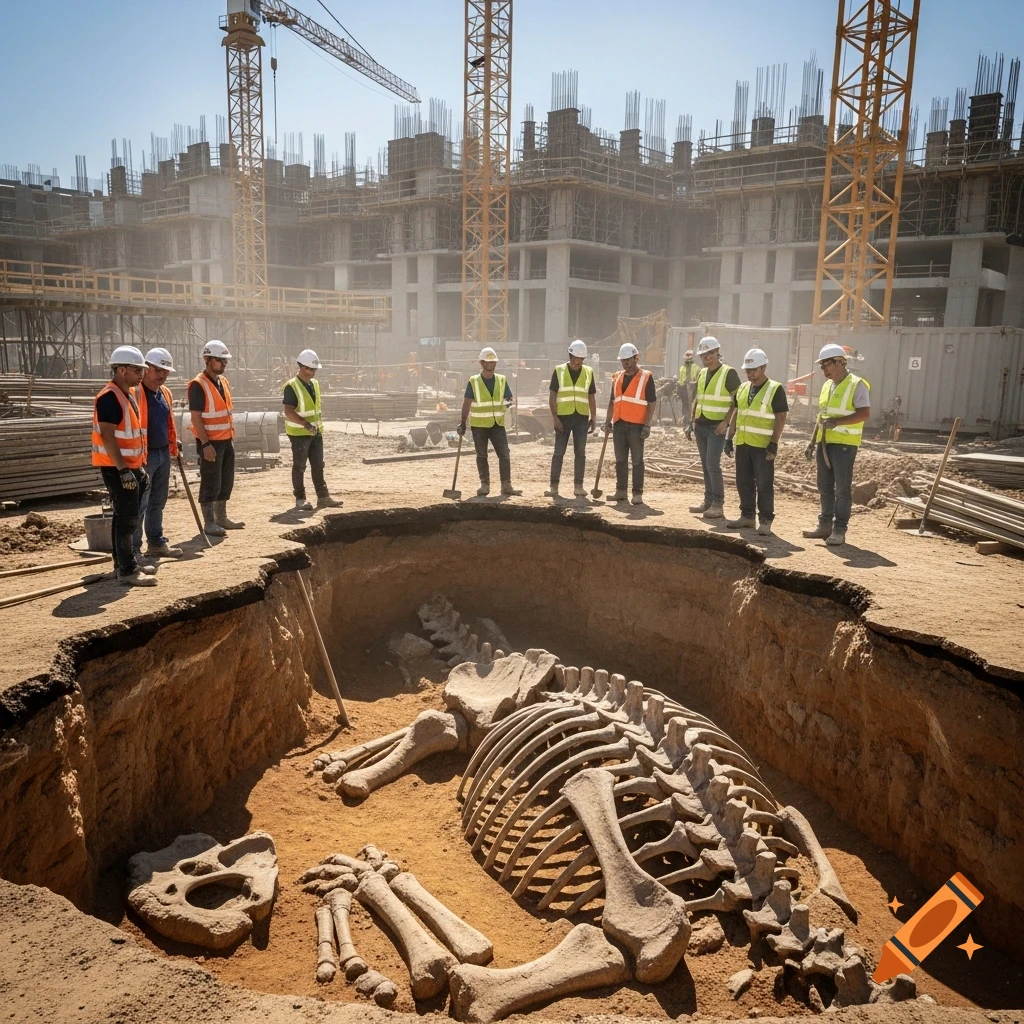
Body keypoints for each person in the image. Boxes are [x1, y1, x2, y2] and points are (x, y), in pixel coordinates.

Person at [91, 345, 156, 587]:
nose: (142, 374)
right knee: (128, 519)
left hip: (128, 467)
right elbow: (108, 436)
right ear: (121, 370)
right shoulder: (109, 397)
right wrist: (123, 470)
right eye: (137, 370)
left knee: (123, 518)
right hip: (117, 468)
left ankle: (122, 564)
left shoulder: (126, 394)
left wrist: (137, 469)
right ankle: (128, 570)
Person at [802, 343, 871, 547]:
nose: (824, 370)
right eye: (822, 366)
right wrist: (812, 441)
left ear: (840, 362)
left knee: (842, 489)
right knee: (824, 486)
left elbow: (865, 413)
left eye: (826, 365)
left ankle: (839, 530)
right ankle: (825, 526)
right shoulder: (827, 386)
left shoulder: (857, 384)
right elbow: (822, 416)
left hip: (844, 445)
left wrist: (838, 423)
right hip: (825, 443)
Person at [724, 347, 788, 537]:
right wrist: (729, 437)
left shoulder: (775, 389)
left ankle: (766, 520)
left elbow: (781, 417)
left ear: (764, 368)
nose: (750, 374)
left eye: (754, 370)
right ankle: (747, 516)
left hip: (763, 446)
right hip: (743, 443)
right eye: (748, 371)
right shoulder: (743, 388)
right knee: (743, 481)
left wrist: (774, 443)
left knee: (764, 484)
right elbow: (738, 412)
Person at [131, 347, 183, 561]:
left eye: (166, 371)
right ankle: (134, 550)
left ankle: (155, 542)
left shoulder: (166, 393)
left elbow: (167, 422)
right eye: (158, 370)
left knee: (157, 502)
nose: (162, 375)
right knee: (139, 504)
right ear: (146, 369)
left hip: (162, 453)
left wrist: (173, 442)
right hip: (144, 456)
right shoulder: (135, 392)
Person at [189, 340, 243, 536]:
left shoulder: (223, 382)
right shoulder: (198, 385)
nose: (223, 364)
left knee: (225, 480)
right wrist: (205, 444)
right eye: (220, 360)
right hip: (210, 442)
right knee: (210, 481)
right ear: (207, 359)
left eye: (225, 360)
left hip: (226, 439)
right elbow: (196, 417)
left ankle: (221, 517)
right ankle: (209, 522)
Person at [282, 348, 343, 512]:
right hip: (299, 434)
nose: (314, 372)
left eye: (315, 369)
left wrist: (314, 427)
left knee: (318, 465)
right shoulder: (291, 386)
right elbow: (289, 411)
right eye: (311, 369)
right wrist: (306, 424)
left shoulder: (314, 384)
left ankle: (323, 497)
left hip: (315, 432)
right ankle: (300, 499)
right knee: (299, 466)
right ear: (302, 367)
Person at [688, 335, 740, 520]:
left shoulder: (729, 373)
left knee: (712, 465)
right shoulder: (702, 373)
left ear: (717, 352)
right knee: (705, 465)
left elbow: (737, 401)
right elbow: (698, 398)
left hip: (716, 427)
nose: (707, 357)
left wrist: (726, 422)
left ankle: (718, 504)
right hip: (701, 425)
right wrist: (691, 421)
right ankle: (708, 501)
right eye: (703, 354)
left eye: (710, 353)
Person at [458, 347, 521, 497]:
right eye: (488, 361)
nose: (491, 364)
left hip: (497, 424)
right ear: (481, 362)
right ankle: (484, 485)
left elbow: (509, 399)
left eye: (493, 361)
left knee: (504, 454)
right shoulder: (474, 381)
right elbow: (467, 402)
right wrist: (463, 421)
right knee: (482, 455)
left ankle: (506, 485)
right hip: (479, 426)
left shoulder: (501, 380)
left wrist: (505, 413)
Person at [603, 342, 657, 505]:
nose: (625, 363)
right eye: (623, 360)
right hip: (619, 424)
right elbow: (612, 402)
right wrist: (607, 422)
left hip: (636, 426)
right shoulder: (617, 377)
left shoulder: (646, 377)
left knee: (637, 460)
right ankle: (621, 491)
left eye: (628, 360)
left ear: (636, 358)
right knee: (620, 460)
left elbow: (652, 402)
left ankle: (637, 493)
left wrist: (647, 424)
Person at [546, 339, 596, 499]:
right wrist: (555, 418)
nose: (577, 363)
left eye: (580, 360)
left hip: (581, 418)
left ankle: (578, 487)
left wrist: (593, 417)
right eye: (575, 359)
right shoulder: (559, 370)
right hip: (563, 418)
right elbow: (552, 395)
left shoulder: (588, 372)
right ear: (570, 356)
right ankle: (554, 487)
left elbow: (591, 396)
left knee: (580, 453)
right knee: (558, 452)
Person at [678, 349, 699, 432]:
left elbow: (697, 380)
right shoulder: (682, 368)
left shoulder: (696, 368)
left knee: (691, 408)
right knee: (685, 408)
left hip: (692, 390)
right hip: (684, 390)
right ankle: (686, 424)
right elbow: (681, 379)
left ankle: (690, 424)